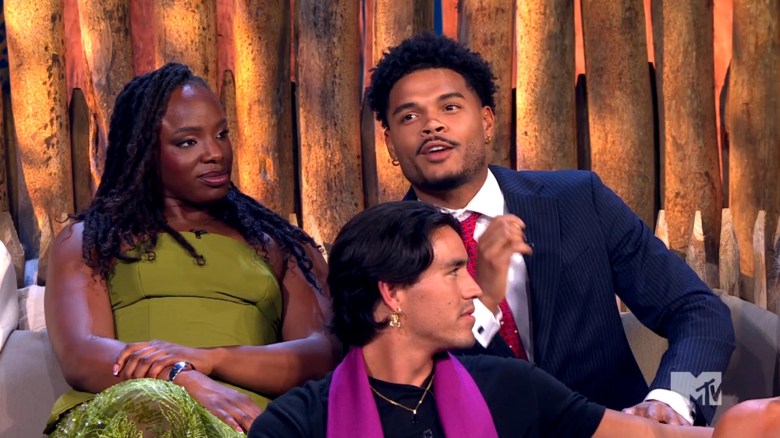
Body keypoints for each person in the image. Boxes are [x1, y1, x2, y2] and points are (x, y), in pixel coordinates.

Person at [365, 33, 735, 425]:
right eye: (409, 117)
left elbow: (702, 312)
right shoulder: (378, 255)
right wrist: (485, 300)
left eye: (450, 106)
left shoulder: (580, 200)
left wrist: (676, 403)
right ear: (390, 144)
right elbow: (399, 387)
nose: (432, 125)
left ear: (487, 121)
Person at [248, 201, 715, 437]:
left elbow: (654, 434)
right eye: (454, 271)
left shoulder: (510, 386)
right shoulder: (296, 424)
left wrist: (726, 414)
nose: (474, 288)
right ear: (391, 293)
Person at [44, 63, 339, 436]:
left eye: (222, 134)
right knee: (155, 408)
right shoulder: (90, 239)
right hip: (129, 411)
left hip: (246, 422)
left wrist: (212, 359)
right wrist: (183, 378)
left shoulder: (282, 245)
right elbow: (81, 353)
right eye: (187, 142)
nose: (215, 153)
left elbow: (324, 353)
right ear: (144, 153)